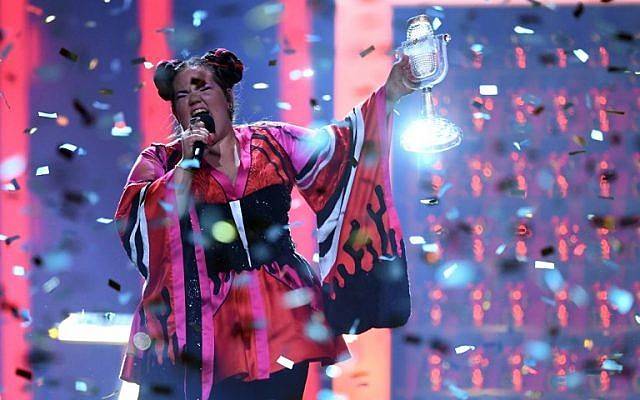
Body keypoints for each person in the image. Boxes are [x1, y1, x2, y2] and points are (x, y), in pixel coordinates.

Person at [114, 48, 413, 400]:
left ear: (226, 98)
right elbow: (140, 226)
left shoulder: (271, 142)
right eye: (183, 95)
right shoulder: (161, 161)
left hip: (284, 312)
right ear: (176, 112)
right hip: (208, 323)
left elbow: (340, 151)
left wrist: (390, 92)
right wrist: (185, 168)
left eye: (204, 89)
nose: (194, 99)